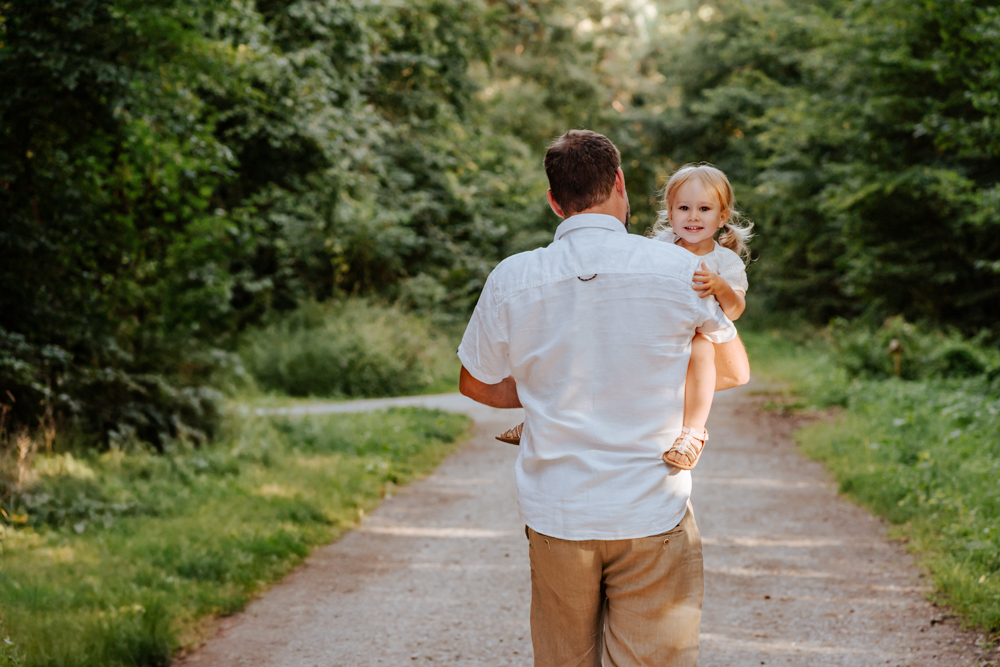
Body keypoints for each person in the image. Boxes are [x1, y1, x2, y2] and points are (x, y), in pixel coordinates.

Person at [457, 129, 750, 667]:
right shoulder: (683, 270)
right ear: (620, 184)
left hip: (557, 513)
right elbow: (733, 369)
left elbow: (474, 383)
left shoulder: (512, 276)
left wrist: (551, 389)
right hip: (652, 505)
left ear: (553, 201)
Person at [651, 163, 753, 470]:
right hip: (655, 328)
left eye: (704, 208)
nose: (693, 216)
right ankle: (555, 415)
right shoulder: (660, 247)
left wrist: (721, 287)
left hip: (695, 336)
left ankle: (692, 433)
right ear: (670, 213)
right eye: (684, 207)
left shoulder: (725, 261)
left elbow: (734, 311)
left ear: (722, 217)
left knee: (701, 344)